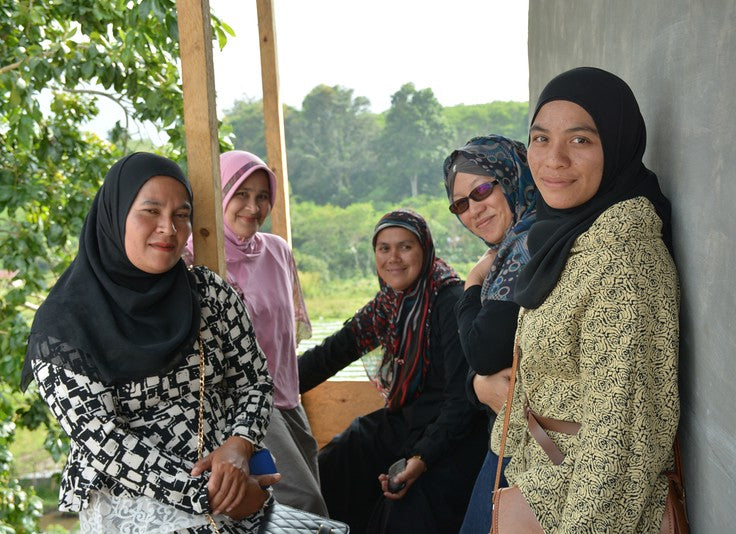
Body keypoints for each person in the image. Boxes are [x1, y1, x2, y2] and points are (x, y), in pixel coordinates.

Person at [20, 152, 278, 533]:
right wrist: (210, 496)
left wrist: (241, 443)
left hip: (240, 499)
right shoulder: (64, 326)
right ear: (115, 215)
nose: (169, 229)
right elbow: (105, 442)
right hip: (141, 513)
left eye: (181, 214)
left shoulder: (209, 294)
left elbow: (254, 380)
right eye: (150, 212)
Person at [490, 67, 680, 532]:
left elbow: (622, 439)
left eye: (580, 140)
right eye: (539, 138)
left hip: (577, 505)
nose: (553, 159)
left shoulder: (622, 256)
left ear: (616, 147)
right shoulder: (568, 237)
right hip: (537, 478)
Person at [297, 209, 487, 534]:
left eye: (405, 246)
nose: (393, 258)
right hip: (404, 422)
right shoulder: (390, 303)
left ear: (424, 250)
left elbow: (461, 400)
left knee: (404, 506)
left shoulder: (449, 300)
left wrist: (422, 456)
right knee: (336, 461)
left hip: (449, 434)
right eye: (384, 248)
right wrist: (272, 386)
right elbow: (334, 352)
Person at [184, 150, 327, 516]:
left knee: (298, 502)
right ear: (220, 196)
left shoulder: (277, 251)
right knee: (303, 502)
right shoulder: (195, 259)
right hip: (245, 407)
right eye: (241, 194)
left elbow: (285, 333)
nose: (253, 206)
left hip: (289, 398)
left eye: (262, 196)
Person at [440, 134, 538, 531]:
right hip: (513, 432)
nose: (473, 210)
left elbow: (480, 350)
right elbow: (481, 364)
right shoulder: (511, 248)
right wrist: (476, 384)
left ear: (511, 176)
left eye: (481, 190)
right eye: (460, 204)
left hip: (536, 442)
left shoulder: (532, 244)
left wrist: (473, 281)